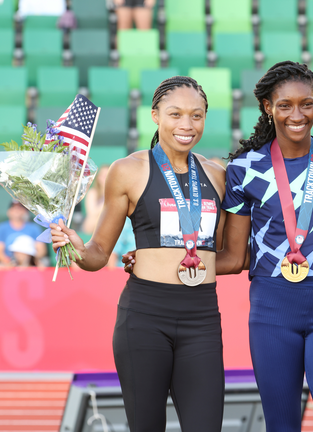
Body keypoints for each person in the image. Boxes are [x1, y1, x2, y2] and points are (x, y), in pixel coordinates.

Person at [125, 61, 313, 431]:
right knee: (280, 426)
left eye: (306, 104)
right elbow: (233, 257)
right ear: (267, 107)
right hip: (271, 309)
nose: (297, 115)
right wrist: (160, 260)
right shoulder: (243, 169)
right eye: (285, 105)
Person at [50, 76, 228, 431]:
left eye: (196, 115)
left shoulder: (217, 175)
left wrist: (166, 257)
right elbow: (99, 253)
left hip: (202, 318)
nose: (187, 125)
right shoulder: (127, 170)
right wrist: (77, 248)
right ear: (155, 115)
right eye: (175, 114)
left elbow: (222, 254)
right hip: (145, 317)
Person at [0, 201, 47, 267]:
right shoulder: (1, 228)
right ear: (9, 211)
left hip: (30, 262)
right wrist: (10, 263)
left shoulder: (34, 228)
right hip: (8, 263)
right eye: (14, 207)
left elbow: (41, 250)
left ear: (25, 211)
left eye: (20, 208)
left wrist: (30, 261)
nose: (16, 210)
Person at [80, 164, 109, 236]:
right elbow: (92, 212)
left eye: (108, 175)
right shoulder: (93, 192)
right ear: (98, 177)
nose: (105, 178)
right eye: (103, 175)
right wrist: (109, 199)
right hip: (91, 228)